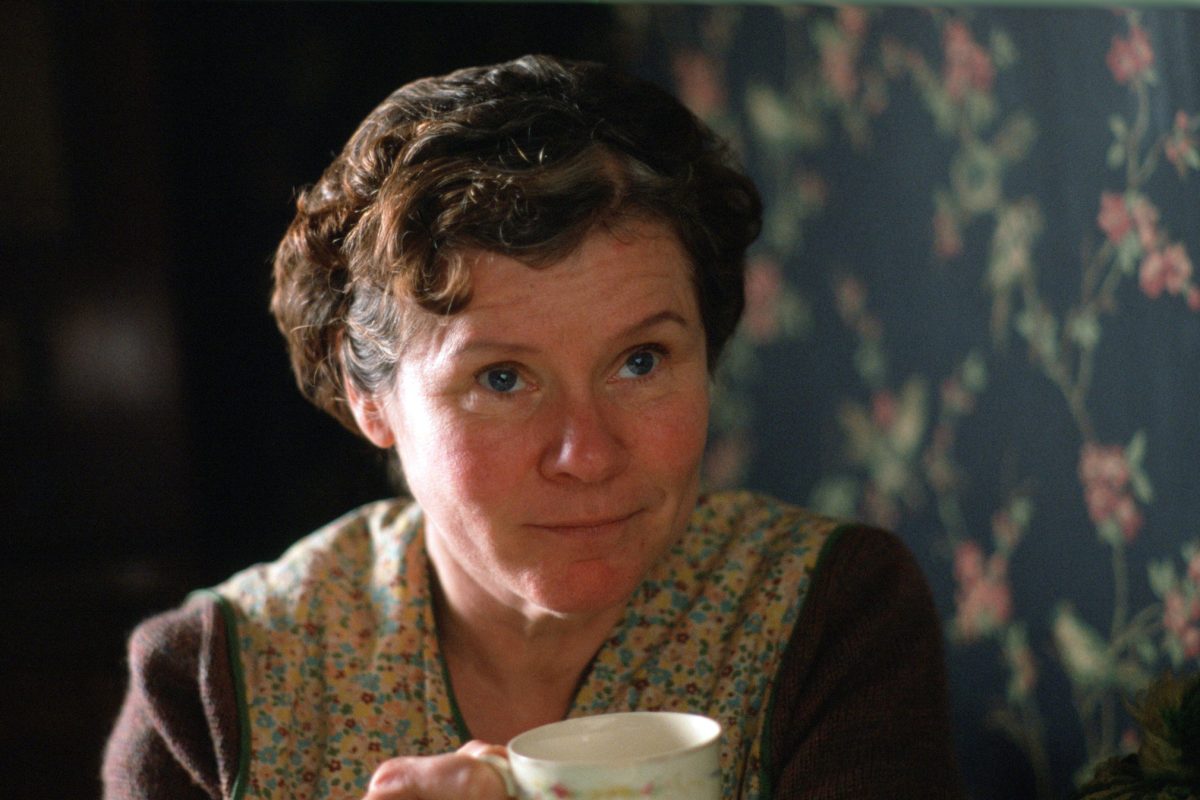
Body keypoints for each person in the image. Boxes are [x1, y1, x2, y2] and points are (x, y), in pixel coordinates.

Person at [102, 54, 963, 799]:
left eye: (641, 361)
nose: (587, 455)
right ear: (369, 397)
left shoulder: (825, 617)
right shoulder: (214, 685)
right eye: (502, 379)